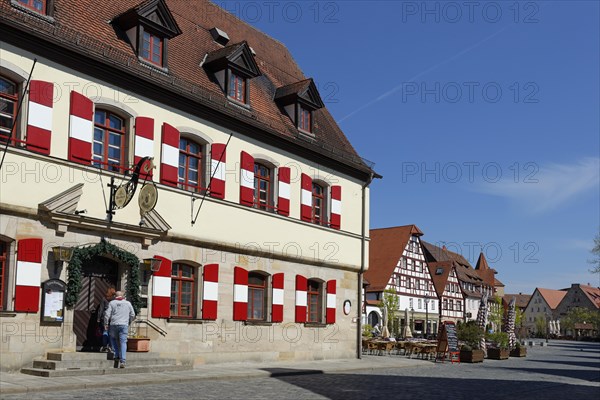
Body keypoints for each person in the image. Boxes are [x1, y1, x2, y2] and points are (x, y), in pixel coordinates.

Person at [104, 290, 135, 369]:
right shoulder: (128, 303)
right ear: (123, 296)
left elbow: (107, 314)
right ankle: (123, 361)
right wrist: (129, 321)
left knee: (113, 339)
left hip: (114, 324)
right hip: (124, 324)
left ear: (115, 296)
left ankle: (116, 354)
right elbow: (133, 314)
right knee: (123, 342)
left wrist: (106, 323)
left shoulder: (112, 303)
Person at [97, 287, 115, 352]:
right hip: (112, 319)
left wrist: (98, 318)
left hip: (104, 318)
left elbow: (101, 309)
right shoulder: (115, 300)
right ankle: (110, 346)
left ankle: (105, 346)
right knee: (111, 333)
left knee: (105, 332)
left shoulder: (104, 299)